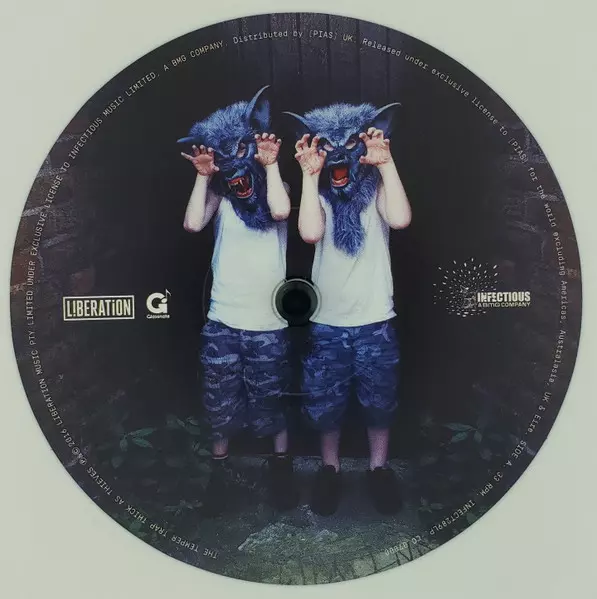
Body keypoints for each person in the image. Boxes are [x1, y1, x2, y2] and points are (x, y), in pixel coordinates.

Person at [287, 102, 412, 515]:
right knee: (327, 402)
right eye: (330, 147)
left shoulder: (374, 189)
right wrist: (309, 178)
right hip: (328, 322)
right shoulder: (321, 193)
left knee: (380, 401)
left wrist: (387, 164)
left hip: (375, 318)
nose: (340, 155)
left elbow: (400, 219)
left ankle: (379, 469)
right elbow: (309, 233)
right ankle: (330, 470)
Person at [179, 87, 297, 515]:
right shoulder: (221, 196)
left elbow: (281, 211)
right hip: (223, 321)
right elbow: (193, 224)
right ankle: (220, 474)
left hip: (268, 322)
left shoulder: (276, 187)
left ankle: (280, 470)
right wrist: (203, 176)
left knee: (272, 400)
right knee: (219, 400)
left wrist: (270, 165)